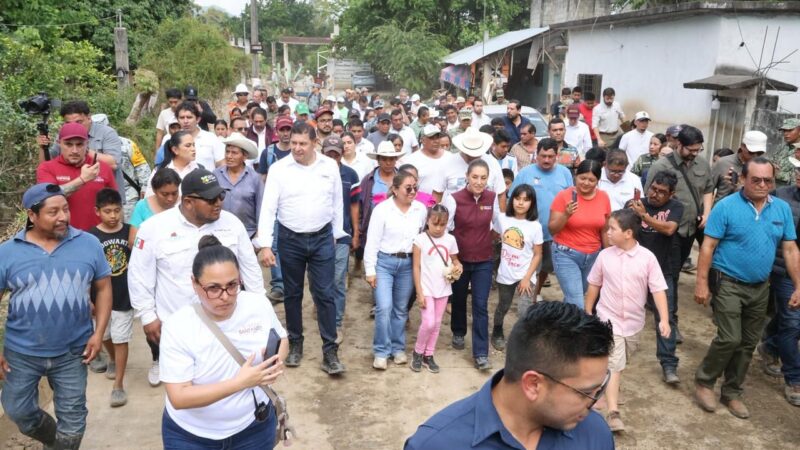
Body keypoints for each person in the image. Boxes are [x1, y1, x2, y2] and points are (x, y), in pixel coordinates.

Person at [405, 301, 615, 450]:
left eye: (601, 388)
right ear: (533, 385)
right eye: (586, 392)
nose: (599, 404)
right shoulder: (436, 444)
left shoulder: (594, 434)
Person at [129, 169, 266, 387]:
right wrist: (147, 315)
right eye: (211, 199)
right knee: (185, 388)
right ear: (189, 202)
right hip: (178, 327)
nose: (218, 203)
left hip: (228, 324)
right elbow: (139, 274)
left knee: (231, 382)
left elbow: (250, 269)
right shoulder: (154, 228)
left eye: (220, 196)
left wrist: (260, 308)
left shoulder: (232, 224)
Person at [0, 183, 111, 449]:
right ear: (32, 215)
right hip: (21, 352)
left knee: (73, 420)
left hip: (74, 351)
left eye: (65, 209)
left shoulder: (89, 244)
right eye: (53, 212)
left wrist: (98, 333)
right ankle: (54, 441)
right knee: (18, 411)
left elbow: (104, 286)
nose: (63, 216)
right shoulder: (7, 252)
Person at [694, 157, 800, 419]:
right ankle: (705, 382)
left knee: (748, 343)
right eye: (756, 180)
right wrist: (701, 283)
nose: (763, 185)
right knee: (730, 337)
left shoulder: (781, 209)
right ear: (742, 179)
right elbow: (707, 246)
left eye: (768, 180)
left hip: (761, 287)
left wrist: (798, 285)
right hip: (728, 282)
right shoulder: (726, 207)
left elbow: (789, 248)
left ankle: (731, 392)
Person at [160, 236, 288, 449]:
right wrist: (241, 382)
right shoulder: (178, 326)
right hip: (191, 437)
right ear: (194, 283)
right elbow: (179, 396)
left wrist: (273, 362)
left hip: (254, 428)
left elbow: (281, 338)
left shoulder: (257, 304)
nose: (225, 296)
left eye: (232, 285)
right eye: (213, 288)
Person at [256, 122, 346, 375]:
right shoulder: (279, 169)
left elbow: (337, 202)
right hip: (290, 239)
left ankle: (330, 351)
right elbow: (268, 208)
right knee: (293, 294)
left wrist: (337, 235)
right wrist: (265, 244)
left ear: (314, 142)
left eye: (302, 144)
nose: (297, 148)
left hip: (322, 239)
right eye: (293, 143)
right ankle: (295, 343)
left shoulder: (329, 167)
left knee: (325, 294)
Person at [584, 208, 671, 432]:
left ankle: (603, 388)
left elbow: (658, 290)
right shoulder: (604, 256)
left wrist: (664, 319)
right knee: (614, 362)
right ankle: (613, 413)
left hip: (634, 323)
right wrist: (587, 311)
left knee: (620, 361)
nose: (608, 232)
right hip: (608, 318)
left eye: (612, 229)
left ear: (628, 233)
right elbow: (594, 284)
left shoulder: (647, 259)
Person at [645, 125, 713, 343]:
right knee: (671, 276)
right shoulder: (661, 165)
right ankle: (671, 323)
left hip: (690, 230)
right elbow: (650, 197)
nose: (694, 154)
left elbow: (709, 188)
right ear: (678, 144)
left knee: (674, 272)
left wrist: (707, 213)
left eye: (698, 150)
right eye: (690, 150)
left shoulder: (702, 164)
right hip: (668, 230)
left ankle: (653, 298)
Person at [625, 171, 684, 384]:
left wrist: (644, 217)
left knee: (664, 316)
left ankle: (669, 364)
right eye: (653, 189)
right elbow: (623, 232)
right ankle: (615, 355)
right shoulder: (634, 204)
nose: (655, 195)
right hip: (634, 270)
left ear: (671, 194)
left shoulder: (676, 207)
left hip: (663, 270)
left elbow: (669, 229)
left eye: (662, 192)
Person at [364, 170, 427, 370]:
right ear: (395, 189)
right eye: (408, 188)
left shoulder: (420, 209)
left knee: (401, 309)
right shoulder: (382, 210)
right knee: (383, 308)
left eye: (415, 187)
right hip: (384, 262)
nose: (412, 191)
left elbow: (421, 238)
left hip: (407, 264)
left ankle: (397, 348)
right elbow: (372, 241)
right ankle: (381, 350)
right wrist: (370, 270)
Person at [444, 160, 499, 371]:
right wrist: (452, 258)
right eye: (475, 177)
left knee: (480, 304)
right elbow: (448, 229)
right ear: (467, 176)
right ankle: (458, 331)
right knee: (458, 298)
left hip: (484, 260)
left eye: (483, 178)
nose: (479, 182)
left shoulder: (491, 198)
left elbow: (496, 224)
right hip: (460, 260)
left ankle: (481, 352)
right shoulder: (454, 199)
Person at [510, 138, 574, 303]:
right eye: (543, 155)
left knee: (546, 267)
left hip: (555, 233)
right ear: (536, 155)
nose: (546, 160)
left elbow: (570, 201)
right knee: (529, 269)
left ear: (557, 156)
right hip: (529, 233)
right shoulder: (525, 173)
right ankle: (526, 300)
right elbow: (512, 197)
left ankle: (536, 292)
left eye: (550, 156)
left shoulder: (565, 173)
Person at [759, 155, 800, 406]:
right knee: (793, 323)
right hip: (784, 269)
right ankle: (794, 378)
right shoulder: (780, 196)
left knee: (789, 319)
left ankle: (771, 345)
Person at [88, 189, 133, 408]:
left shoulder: (129, 232)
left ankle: (118, 386)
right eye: (107, 211)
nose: (113, 216)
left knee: (120, 338)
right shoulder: (90, 237)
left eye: (117, 210)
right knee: (104, 334)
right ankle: (113, 359)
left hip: (124, 296)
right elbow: (87, 271)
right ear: (97, 211)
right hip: (99, 298)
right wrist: (87, 298)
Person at [549, 160, 611, 307]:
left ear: (598, 181)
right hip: (565, 254)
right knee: (577, 302)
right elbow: (552, 229)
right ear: (575, 176)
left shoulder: (604, 197)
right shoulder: (563, 196)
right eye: (582, 178)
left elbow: (605, 229)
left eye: (591, 180)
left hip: (592, 256)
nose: (586, 183)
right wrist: (566, 214)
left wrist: (609, 254)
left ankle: (562, 322)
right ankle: (577, 330)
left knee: (574, 297)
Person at [36, 122, 118, 231]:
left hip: (98, 239)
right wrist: (82, 180)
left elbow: (115, 206)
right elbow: (49, 198)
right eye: (68, 144)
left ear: (87, 144)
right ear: (59, 143)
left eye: (79, 144)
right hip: (62, 237)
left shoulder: (102, 168)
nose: (74, 150)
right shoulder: (47, 168)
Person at [491, 184, 543, 351]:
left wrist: (527, 278)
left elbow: (537, 254)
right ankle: (497, 331)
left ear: (532, 203)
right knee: (503, 306)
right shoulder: (503, 219)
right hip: (506, 273)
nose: (521, 203)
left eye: (526, 200)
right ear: (511, 199)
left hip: (526, 275)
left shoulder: (535, 226)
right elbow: (494, 236)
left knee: (524, 310)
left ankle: (521, 338)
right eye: (517, 198)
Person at [321, 136, 361, 345]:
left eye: (336, 153)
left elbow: (355, 206)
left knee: (337, 280)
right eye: (329, 153)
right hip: (317, 236)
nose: (333, 156)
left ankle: (335, 323)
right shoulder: (314, 173)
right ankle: (325, 314)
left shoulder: (350, 174)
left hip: (342, 235)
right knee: (320, 282)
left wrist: (355, 233)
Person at [410, 205, 461, 373]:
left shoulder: (450, 240)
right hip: (426, 288)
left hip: (443, 288)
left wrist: (458, 267)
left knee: (437, 323)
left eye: (443, 224)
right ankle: (418, 352)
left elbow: (455, 259)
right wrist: (419, 292)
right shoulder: (420, 240)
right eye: (435, 224)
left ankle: (428, 354)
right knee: (428, 321)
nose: (438, 228)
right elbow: (416, 267)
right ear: (427, 221)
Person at [39, 100, 124, 199]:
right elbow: (46, 164)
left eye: (79, 122)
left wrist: (83, 149)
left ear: (89, 118)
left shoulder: (107, 133)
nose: (74, 126)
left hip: (104, 195)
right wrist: (42, 148)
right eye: (68, 123)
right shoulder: (64, 134)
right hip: (72, 194)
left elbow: (114, 163)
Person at [443, 128, 508, 211]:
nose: (474, 156)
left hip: (485, 216)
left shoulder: (493, 163)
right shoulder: (448, 163)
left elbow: (501, 194)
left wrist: (502, 220)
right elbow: (438, 193)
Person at [216, 133, 264, 237]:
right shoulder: (216, 175)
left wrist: (258, 235)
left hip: (248, 233)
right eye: (227, 152)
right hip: (219, 232)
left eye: (234, 153)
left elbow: (261, 209)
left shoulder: (255, 178)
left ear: (245, 156)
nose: (229, 156)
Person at [710, 130, 767, 203]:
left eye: (759, 153)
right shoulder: (722, 163)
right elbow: (707, 191)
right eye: (751, 152)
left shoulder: (763, 167)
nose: (755, 156)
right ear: (742, 146)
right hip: (722, 211)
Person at [399, 124, 450, 203]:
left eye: (437, 137)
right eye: (431, 138)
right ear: (423, 140)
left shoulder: (450, 157)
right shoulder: (412, 160)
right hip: (421, 206)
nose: (436, 141)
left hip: (447, 207)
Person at [168, 101, 225, 170]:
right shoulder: (171, 140)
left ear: (198, 119)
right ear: (177, 120)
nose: (185, 121)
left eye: (189, 117)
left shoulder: (211, 138)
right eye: (182, 118)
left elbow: (222, 164)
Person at [145, 131, 201, 197]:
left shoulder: (200, 169)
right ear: (175, 150)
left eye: (193, 145)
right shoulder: (160, 170)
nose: (193, 149)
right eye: (188, 146)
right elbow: (150, 197)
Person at [154, 88, 182, 154]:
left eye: (175, 102)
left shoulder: (186, 113)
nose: (173, 105)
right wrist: (157, 152)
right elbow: (159, 133)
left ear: (181, 100)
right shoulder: (164, 113)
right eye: (171, 102)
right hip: (168, 147)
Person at [774, 118, 800, 186]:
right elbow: (773, 162)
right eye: (784, 131)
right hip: (777, 190)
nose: (786, 133)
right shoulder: (782, 148)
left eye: (790, 130)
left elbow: (795, 176)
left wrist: (778, 174)